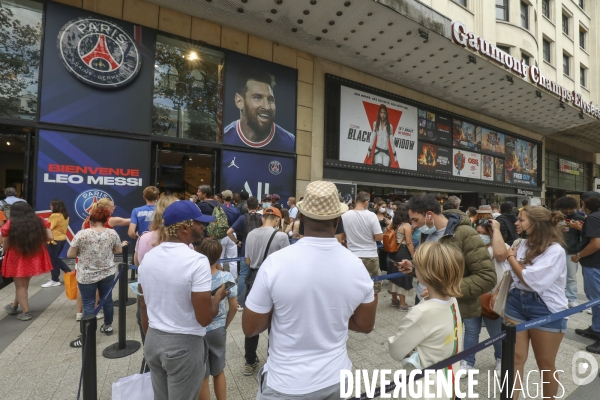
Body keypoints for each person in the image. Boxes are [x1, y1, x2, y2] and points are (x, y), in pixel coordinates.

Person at [243, 181, 377, 399]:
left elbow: (250, 327)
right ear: (337, 220)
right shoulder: (356, 267)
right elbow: (365, 324)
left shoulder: (276, 263)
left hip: (285, 383)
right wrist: (334, 316)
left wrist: (284, 314)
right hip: (335, 378)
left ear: (302, 219)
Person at [138, 201, 227, 400]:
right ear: (185, 228)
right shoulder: (197, 261)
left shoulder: (148, 258)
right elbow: (204, 318)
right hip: (184, 344)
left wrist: (150, 340)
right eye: (199, 223)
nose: (204, 226)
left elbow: (143, 306)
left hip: (153, 338)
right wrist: (218, 297)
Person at [397, 194, 496, 356]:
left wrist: (444, 290)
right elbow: (434, 270)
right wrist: (414, 268)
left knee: (446, 360)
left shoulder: (464, 234)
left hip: (453, 309)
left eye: (415, 220)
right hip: (426, 305)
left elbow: (487, 277)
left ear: (429, 215)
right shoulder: (426, 233)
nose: (413, 226)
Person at [490, 206, 567, 399]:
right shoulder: (522, 243)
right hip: (516, 302)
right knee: (514, 359)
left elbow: (530, 279)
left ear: (537, 223)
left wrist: (511, 256)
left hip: (546, 308)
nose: (517, 223)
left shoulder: (555, 250)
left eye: (521, 220)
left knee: (545, 363)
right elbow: (507, 264)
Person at [388, 242, 463, 397]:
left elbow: (396, 350)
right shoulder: (452, 300)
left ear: (426, 273)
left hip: (425, 389)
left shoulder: (421, 312)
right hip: (448, 383)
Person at [67, 207, 127, 347]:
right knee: (107, 300)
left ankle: (88, 335)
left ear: (90, 221)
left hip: (87, 274)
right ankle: (108, 326)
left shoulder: (82, 234)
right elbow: (118, 250)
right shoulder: (112, 233)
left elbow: (70, 254)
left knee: (88, 303)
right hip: (107, 272)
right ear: (105, 220)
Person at [243, 206, 289, 375]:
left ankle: (249, 361)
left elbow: (248, 261)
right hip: (275, 281)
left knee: (253, 320)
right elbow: (285, 263)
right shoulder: (281, 236)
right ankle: (272, 358)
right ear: (277, 220)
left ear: (264, 218)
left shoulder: (250, 234)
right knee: (275, 322)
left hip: (255, 279)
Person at [462, 218, 509, 372]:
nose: (481, 236)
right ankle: (468, 362)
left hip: (492, 297)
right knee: (470, 331)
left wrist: (496, 230)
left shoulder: (501, 248)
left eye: (485, 233)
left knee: (496, 332)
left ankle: (501, 358)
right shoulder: (469, 248)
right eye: (478, 233)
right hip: (472, 295)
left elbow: (507, 269)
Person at [196, 238, 237, 400]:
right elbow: (234, 307)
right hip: (218, 328)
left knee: (202, 375)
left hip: (199, 330)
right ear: (220, 255)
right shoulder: (226, 277)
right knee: (219, 371)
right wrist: (225, 325)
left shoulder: (195, 277)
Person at [1, 202, 53, 321]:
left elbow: (6, 246)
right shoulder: (38, 221)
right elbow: (50, 237)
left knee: (20, 286)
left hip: (17, 257)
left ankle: (26, 312)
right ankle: (14, 306)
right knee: (24, 285)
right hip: (34, 255)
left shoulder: (10, 224)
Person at [223, 69, 295, 152]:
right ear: (239, 101)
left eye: (270, 100)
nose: (267, 107)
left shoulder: (290, 143)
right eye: (257, 98)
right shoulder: (224, 138)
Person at [572, 192, 600, 350]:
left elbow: (596, 244)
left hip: (594, 265)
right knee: (595, 299)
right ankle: (596, 328)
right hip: (595, 264)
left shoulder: (593, 218)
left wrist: (578, 255)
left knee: (597, 299)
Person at [342, 192, 384, 294]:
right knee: (373, 289)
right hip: (370, 256)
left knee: (353, 287)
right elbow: (379, 237)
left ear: (356, 201)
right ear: (366, 202)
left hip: (352, 255)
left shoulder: (345, 215)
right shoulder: (371, 215)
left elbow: (342, 237)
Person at [226, 196, 262, 312]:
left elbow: (229, 232)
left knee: (243, 275)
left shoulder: (242, 218)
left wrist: (237, 242)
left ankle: (241, 302)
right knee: (258, 275)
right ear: (257, 206)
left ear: (247, 206)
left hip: (245, 250)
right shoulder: (262, 218)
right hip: (259, 251)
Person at [554, 196, 584, 308]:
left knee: (571, 277)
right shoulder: (556, 218)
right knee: (556, 277)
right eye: (565, 208)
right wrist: (566, 225)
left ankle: (572, 299)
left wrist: (579, 228)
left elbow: (585, 235)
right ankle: (558, 298)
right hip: (556, 252)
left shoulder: (580, 218)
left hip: (572, 252)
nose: (568, 211)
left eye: (570, 208)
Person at [388, 206, 415, 311]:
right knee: (403, 277)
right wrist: (414, 256)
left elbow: (388, 231)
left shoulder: (393, 224)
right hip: (403, 252)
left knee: (394, 276)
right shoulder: (406, 225)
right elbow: (408, 243)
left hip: (393, 251)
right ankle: (403, 305)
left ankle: (394, 300)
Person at [41, 199, 72, 288]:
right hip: (62, 239)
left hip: (54, 240)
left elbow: (48, 227)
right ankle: (68, 272)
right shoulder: (65, 215)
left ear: (55, 206)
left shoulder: (54, 215)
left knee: (53, 260)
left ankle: (55, 280)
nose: (50, 207)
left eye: (51, 205)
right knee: (54, 258)